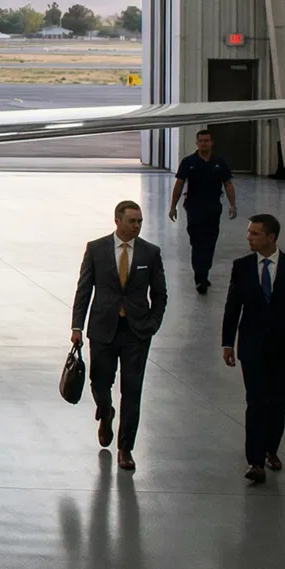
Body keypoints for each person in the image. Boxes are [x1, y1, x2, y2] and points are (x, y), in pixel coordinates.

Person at [71, 200, 168, 471]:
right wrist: (77, 326)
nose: (137, 226)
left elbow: (160, 294)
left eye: (139, 222)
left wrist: (153, 323)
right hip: (103, 328)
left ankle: (125, 447)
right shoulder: (96, 249)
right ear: (118, 221)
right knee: (99, 382)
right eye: (132, 221)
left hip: (136, 332)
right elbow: (84, 290)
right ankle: (106, 411)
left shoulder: (150, 253)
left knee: (132, 389)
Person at [222, 214, 285, 484]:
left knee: (277, 402)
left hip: (284, 345)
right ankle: (255, 460)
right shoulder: (241, 267)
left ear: (271, 238)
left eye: (254, 234)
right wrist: (227, 342)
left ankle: (270, 449)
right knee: (255, 401)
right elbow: (232, 307)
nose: (248, 238)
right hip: (251, 345)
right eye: (249, 232)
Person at [169, 129, 237, 294]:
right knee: (197, 241)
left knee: (210, 242)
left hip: (213, 208)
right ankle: (200, 275)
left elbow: (227, 184)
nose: (204, 143)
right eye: (201, 141)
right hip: (194, 207)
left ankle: (203, 275)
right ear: (197, 143)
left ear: (212, 142)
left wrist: (232, 205)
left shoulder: (219, 162)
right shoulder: (189, 162)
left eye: (207, 140)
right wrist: (173, 206)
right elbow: (179, 184)